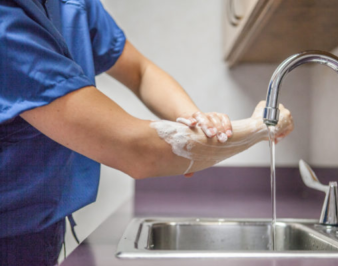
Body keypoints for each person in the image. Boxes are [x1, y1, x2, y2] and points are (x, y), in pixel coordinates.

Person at [0, 0, 294, 265]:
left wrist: (195, 120)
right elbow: (136, 150)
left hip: (43, 224)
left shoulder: (72, 4)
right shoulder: (7, 23)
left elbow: (140, 72)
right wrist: (262, 126)